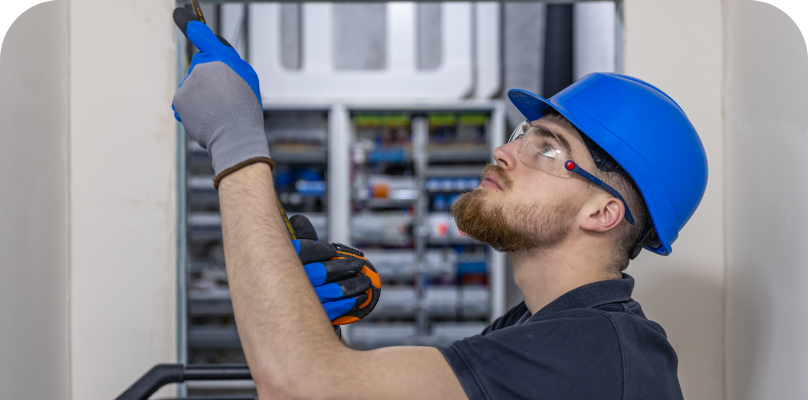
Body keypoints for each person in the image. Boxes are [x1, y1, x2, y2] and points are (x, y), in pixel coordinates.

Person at [171, 8, 707, 400]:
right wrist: (308, 327)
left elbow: (298, 386)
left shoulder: (592, 351)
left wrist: (235, 139)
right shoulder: (534, 331)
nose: (503, 151)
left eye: (548, 148)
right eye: (524, 132)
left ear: (602, 212)